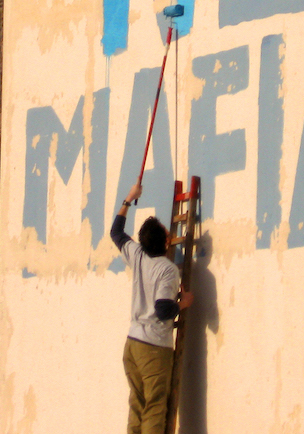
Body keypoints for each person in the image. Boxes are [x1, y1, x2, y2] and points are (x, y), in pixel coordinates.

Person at [110, 182, 193, 434]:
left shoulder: (137, 254)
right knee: (155, 408)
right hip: (154, 347)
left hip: (132, 344)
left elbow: (116, 232)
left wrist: (129, 198)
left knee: (137, 406)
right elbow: (163, 309)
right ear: (166, 241)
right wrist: (184, 303)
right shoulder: (167, 269)